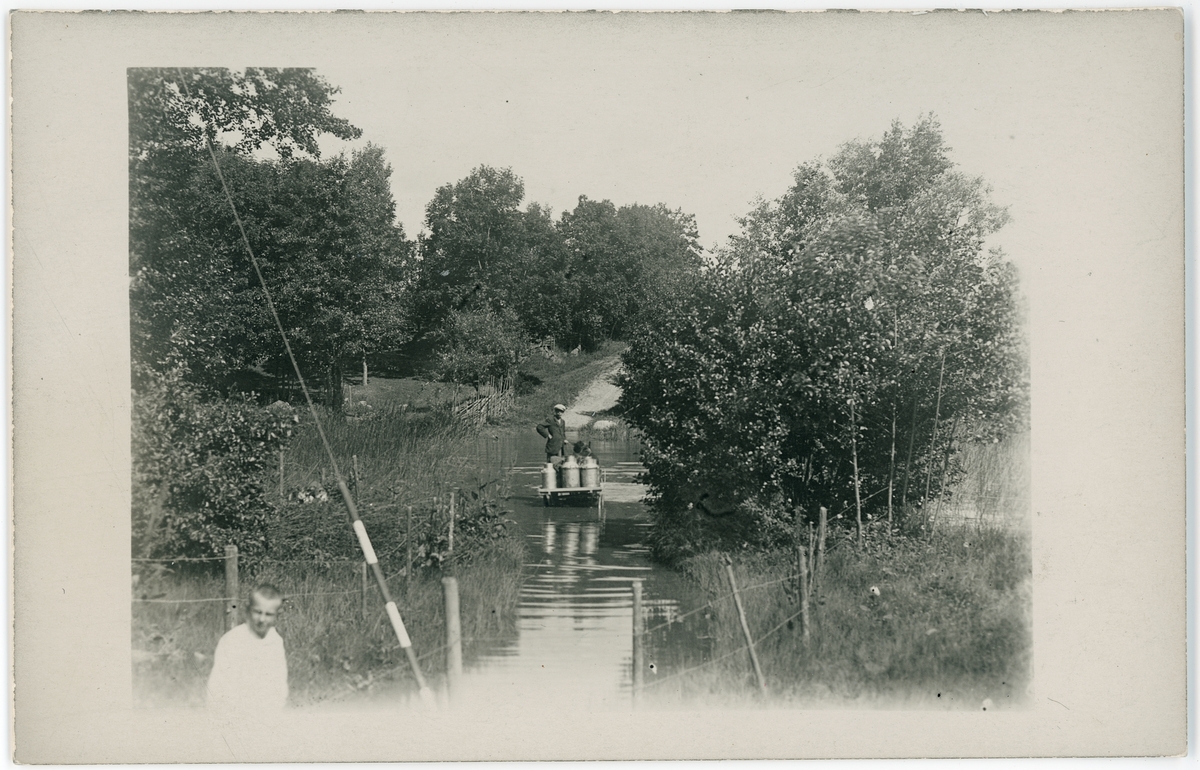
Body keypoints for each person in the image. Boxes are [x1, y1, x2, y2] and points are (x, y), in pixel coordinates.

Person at [206, 584, 288, 714]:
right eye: (258, 612)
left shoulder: (275, 641)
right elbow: (217, 687)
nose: (262, 619)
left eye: (269, 614)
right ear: (248, 610)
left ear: (277, 616)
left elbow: (280, 686)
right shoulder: (233, 640)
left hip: (266, 716)